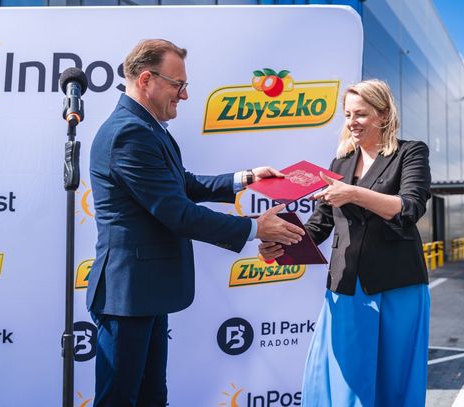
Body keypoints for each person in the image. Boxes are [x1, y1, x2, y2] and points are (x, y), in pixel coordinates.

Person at [87, 39, 304, 407]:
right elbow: (177, 212)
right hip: (127, 295)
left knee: (152, 397)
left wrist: (245, 178)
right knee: (120, 400)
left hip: (145, 292)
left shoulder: (147, 127)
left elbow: (181, 184)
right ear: (146, 79)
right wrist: (255, 229)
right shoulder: (129, 133)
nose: (184, 95)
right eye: (178, 85)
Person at [259, 79, 431, 407]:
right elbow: (319, 225)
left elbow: (410, 208)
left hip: (399, 285)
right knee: (344, 380)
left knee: (395, 380)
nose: (352, 122)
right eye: (348, 114)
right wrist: (280, 242)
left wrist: (353, 193)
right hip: (346, 285)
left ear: (383, 114)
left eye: (361, 114)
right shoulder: (339, 164)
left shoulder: (410, 152)